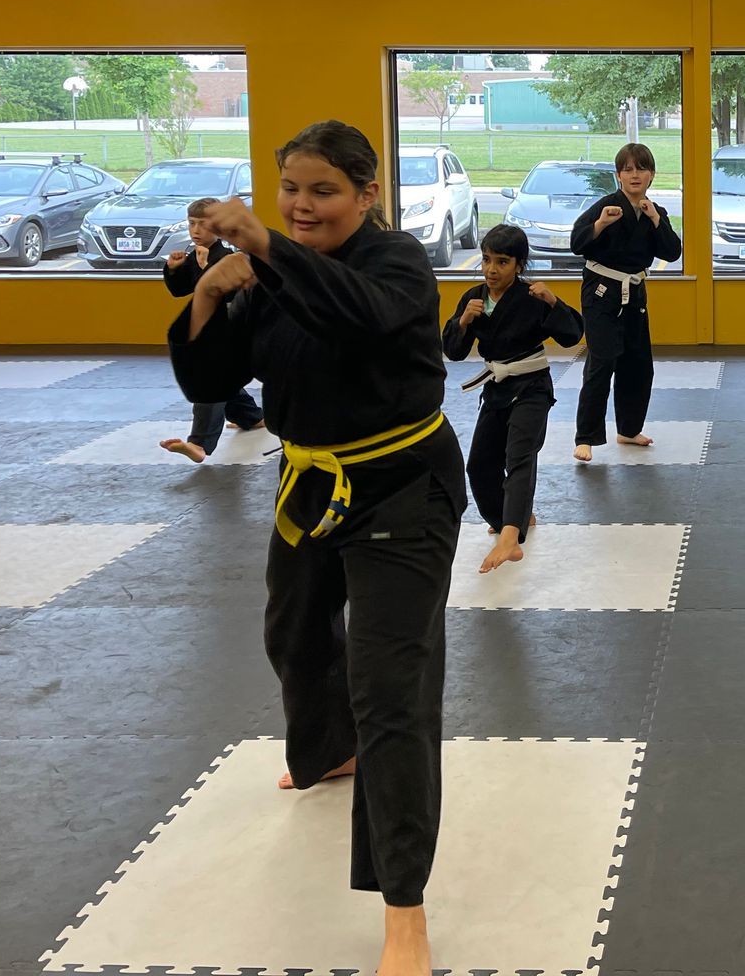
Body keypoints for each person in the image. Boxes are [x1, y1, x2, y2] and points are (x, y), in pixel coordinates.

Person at [167, 121, 465, 976]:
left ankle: (403, 907)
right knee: (293, 637)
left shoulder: (398, 263)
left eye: (323, 190)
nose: (302, 206)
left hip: (405, 487)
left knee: (391, 689)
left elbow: (359, 317)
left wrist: (264, 248)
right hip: (311, 485)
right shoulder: (265, 275)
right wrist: (211, 296)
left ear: (366, 195)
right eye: (289, 189)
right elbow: (210, 383)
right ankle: (328, 749)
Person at [442, 223, 585, 574]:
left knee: (519, 457)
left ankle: (510, 537)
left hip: (532, 387)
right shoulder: (474, 299)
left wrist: (554, 302)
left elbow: (573, 336)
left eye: (502, 262)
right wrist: (462, 322)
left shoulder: (533, 297)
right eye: (487, 260)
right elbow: (453, 351)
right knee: (478, 466)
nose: (491, 269)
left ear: (519, 265)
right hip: (496, 389)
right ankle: (511, 518)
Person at [569, 143, 681, 464]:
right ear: (618, 175)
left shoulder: (653, 212)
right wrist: (601, 223)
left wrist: (657, 220)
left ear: (651, 175)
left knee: (638, 362)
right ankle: (586, 437)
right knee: (602, 362)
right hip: (601, 291)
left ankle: (629, 429)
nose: (635, 175)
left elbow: (672, 252)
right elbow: (578, 243)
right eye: (628, 169)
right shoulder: (605, 207)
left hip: (635, 293)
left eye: (641, 169)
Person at [158, 196, 263, 463]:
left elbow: (230, 296)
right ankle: (251, 417)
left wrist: (208, 269)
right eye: (192, 223)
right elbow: (180, 291)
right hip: (212, 332)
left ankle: (199, 443)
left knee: (211, 381)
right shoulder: (195, 255)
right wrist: (173, 269)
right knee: (222, 380)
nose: (196, 230)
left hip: (232, 330)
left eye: (203, 225)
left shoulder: (229, 257)